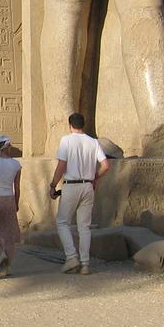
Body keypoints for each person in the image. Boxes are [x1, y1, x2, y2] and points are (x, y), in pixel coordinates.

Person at [48, 112, 110, 275]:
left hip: (71, 185)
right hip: (88, 186)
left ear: (70, 125)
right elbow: (105, 166)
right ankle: (85, 264)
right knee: (84, 226)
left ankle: (71, 257)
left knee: (62, 222)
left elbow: (62, 165)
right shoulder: (93, 142)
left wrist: (53, 185)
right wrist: (95, 177)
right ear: (83, 124)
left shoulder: (66, 140)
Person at [0, 135, 22, 276]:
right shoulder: (16, 164)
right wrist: (16, 203)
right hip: (9, 198)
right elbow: (17, 187)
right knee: (9, 233)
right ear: (6, 147)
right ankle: (7, 264)